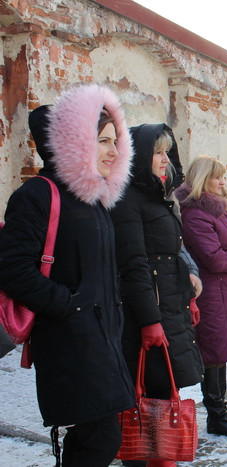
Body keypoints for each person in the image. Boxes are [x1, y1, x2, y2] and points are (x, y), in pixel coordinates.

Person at [0, 84, 135, 466]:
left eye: (115, 141)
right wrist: (67, 305)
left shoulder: (94, 199)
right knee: (100, 438)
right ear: (77, 143)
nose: (114, 151)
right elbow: (11, 267)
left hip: (104, 334)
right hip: (69, 339)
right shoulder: (38, 194)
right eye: (104, 141)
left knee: (98, 435)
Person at [110, 124, 204, 467]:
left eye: (168, 152)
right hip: (145, 317)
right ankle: (145, 459)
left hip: (169, 309)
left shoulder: (158, 196)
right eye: (157, 152)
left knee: (161, 395)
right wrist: (150, 321)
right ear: (138, 156)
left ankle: (160, 458)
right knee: (141, 400)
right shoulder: (127, 199)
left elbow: (171, 254)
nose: (165, 159)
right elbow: (134, 265)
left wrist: (188, 288)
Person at [174, 155, 227, 437]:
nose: (223, 181)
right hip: (209, 295)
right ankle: (217, 415)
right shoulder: (194, 214)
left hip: (225, 293)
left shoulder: (216, 209)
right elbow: (215, 260)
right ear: (202, 179)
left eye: (223, 176)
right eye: (217, 176)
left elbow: (225, 250)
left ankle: (218, 414)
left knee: (219, 355)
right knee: (212, 355)